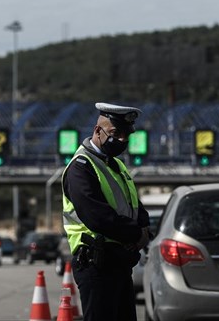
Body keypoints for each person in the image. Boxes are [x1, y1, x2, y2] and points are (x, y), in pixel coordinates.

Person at [61, 102, 151, 321]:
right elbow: (97, 217)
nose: (121, 140)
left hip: (120, 262)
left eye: (125, 135)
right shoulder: (81, 167)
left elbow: (133, 204)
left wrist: (145, 228)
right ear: (97, 131)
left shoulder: (117, 166)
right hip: (97, 264)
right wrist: (135, 234)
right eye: (115, 133)